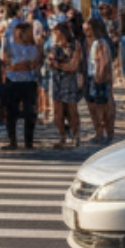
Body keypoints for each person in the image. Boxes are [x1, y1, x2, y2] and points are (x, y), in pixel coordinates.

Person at [0, 8, 43, 151]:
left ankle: (28, 141)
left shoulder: (32, 47)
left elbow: (34, 64)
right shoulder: (10, 45)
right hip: (13, 81)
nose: (20, 34)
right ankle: (12, 141)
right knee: (11, 112)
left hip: (28, 82)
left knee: (29, 112)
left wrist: (15, 66)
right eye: (18, 31)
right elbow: (4, 59)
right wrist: (17, 66)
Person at [46, 15, 84, 151]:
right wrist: (59, 64)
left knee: (72, 110)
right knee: (58, 112)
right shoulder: (54, 47)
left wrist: (59, 65)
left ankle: (76, 134)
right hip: (57, 81)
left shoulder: (75, 45)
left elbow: (73, 65)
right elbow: (50, 62)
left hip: (70, 82)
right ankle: (62, 136)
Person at [85, 10, 115, 146]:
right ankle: (100, 134)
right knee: (98, 108)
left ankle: (105, 135)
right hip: (94, 77)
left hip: (98, 79)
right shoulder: (95, 43)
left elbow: (103, 62)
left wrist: (99, 77)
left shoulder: (101, 43)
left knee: (102, 109)